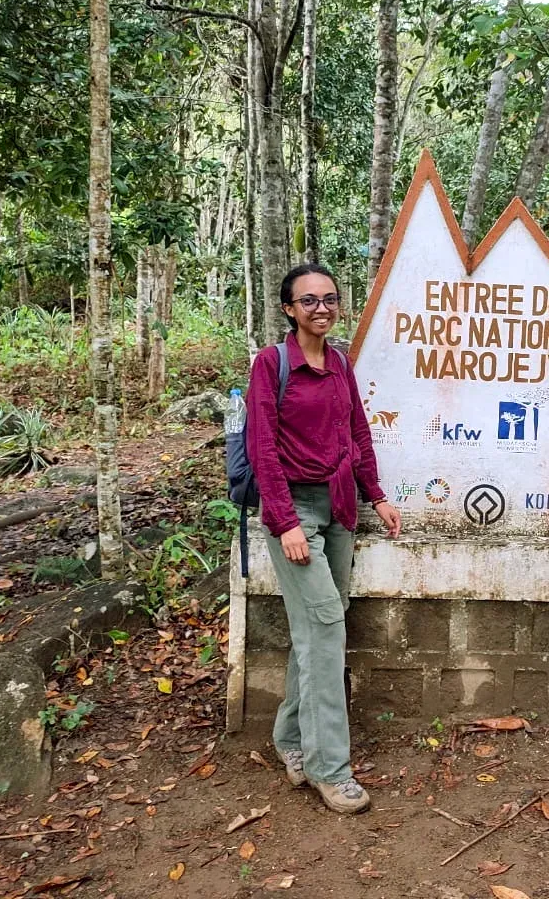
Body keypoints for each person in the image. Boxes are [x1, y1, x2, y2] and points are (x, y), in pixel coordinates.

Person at [245, 262, 402, 814]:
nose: (322, 308)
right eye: (309, 300)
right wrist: (285, 521)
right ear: (289, 309)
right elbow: (262, 447)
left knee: (315, 631)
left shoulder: (338, 363)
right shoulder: (271, 364)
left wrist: (376, 494)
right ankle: (329, 769)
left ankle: (290, 740)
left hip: (339, 506)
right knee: (328, 627)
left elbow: (357, 429)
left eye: (330, 299)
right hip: (295, 509)